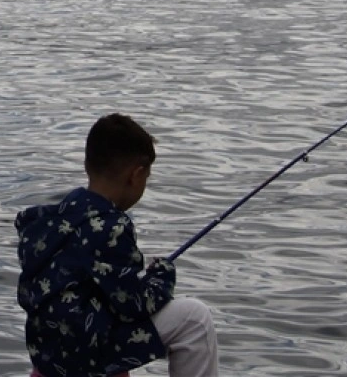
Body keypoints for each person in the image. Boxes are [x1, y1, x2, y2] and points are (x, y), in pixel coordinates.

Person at [15, 113, 219, 377]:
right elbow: (135, 303)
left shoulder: (46, 221)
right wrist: (161, 276)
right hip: (85, 357)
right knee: (194, 320)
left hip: (50, 355)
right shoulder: (112, 226)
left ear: (88, 163)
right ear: (136, 175)